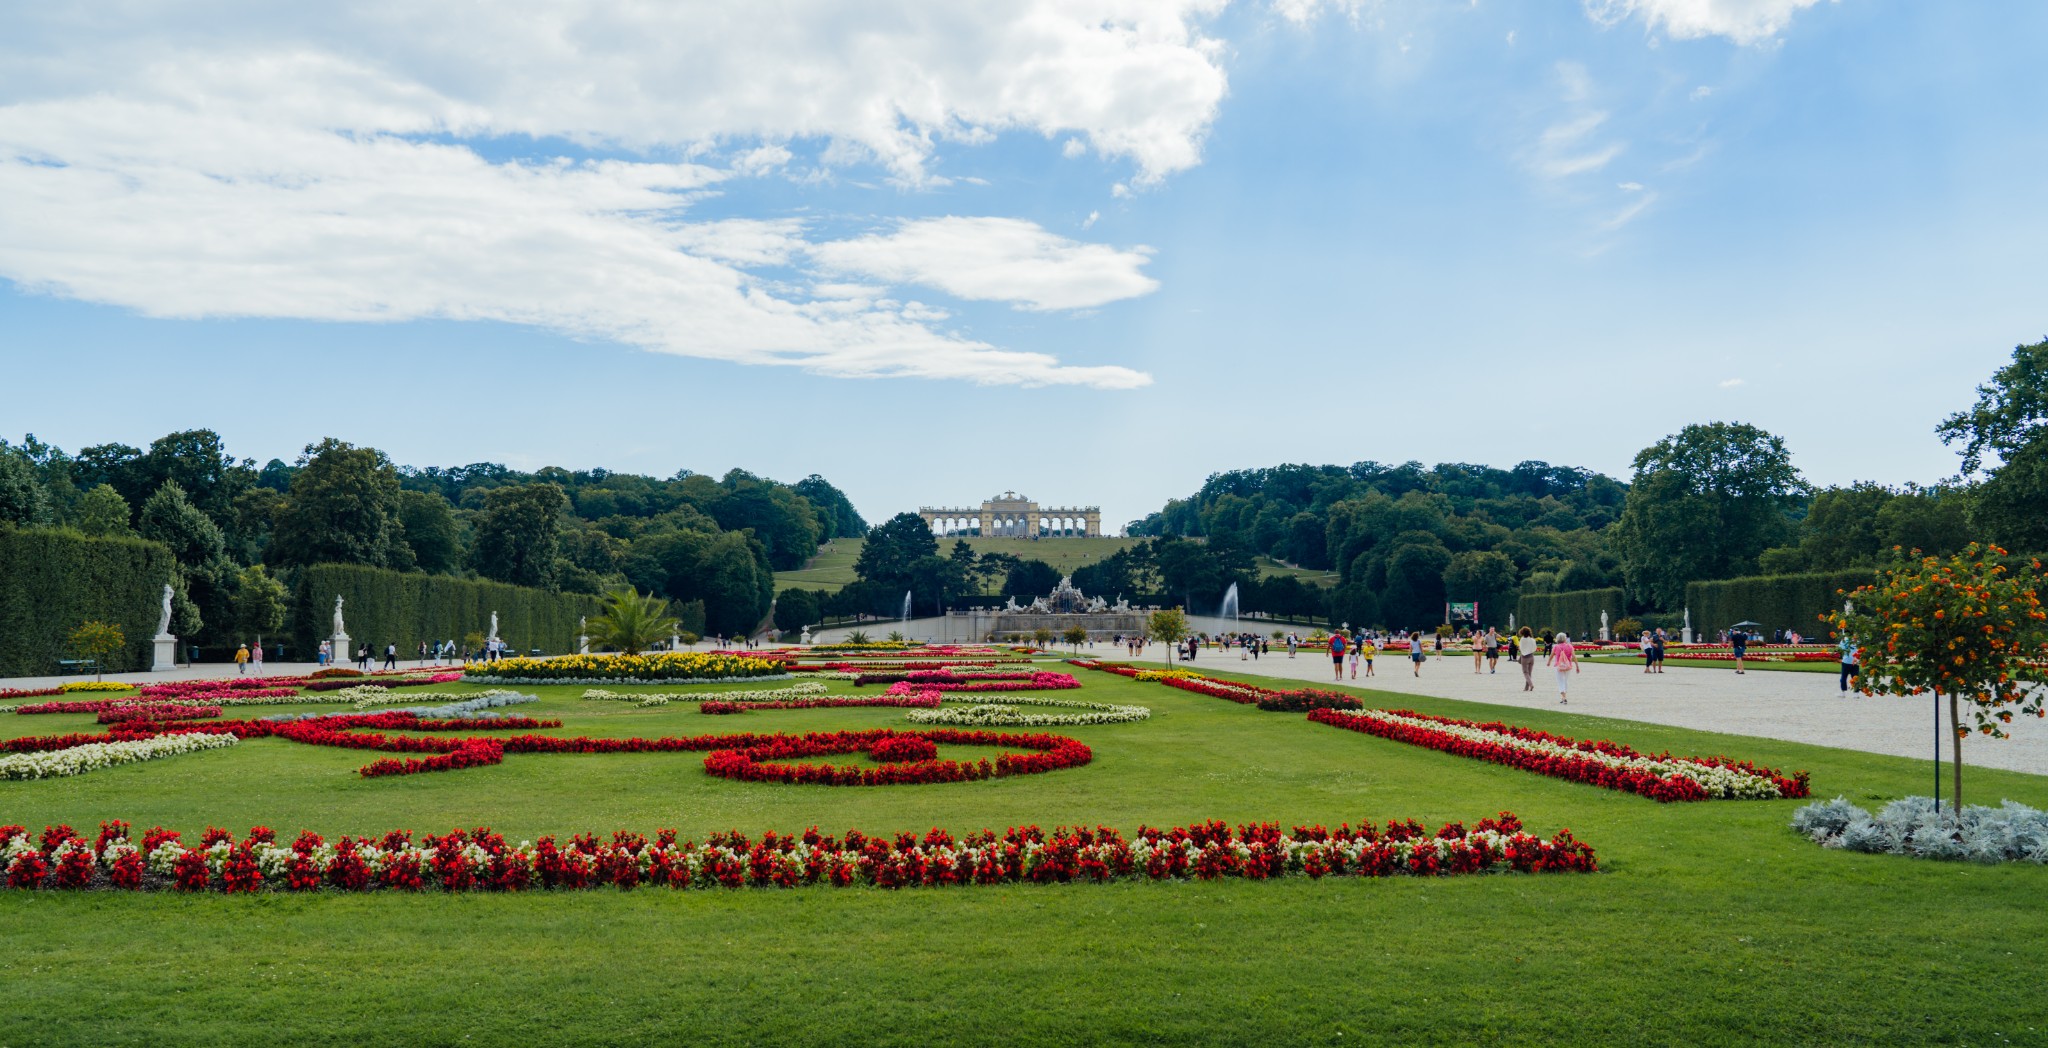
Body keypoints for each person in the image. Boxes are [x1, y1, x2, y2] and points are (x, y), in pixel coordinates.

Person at [1548, 631, 1579, 703]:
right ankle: (1563, 697)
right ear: (1565, 638)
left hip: (1558, 666)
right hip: (1568, 666)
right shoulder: (1569, 646)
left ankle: (1563, 697)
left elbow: (1552, 655)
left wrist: (1548, 662)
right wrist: (1577, 666)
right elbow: (1574, 657)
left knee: (1560, 681)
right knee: (1565, 681)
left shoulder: (1556, 646)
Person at [1516, 627, 1538, 692]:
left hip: (1525, 657)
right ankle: (1526, 687)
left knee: (1525, 672)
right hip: (1531, 657)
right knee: (1529, 673)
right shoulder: (1532, 639)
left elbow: (1520, 648)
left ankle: (1531, 685)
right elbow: (1535, 648)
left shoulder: (1522, 639)